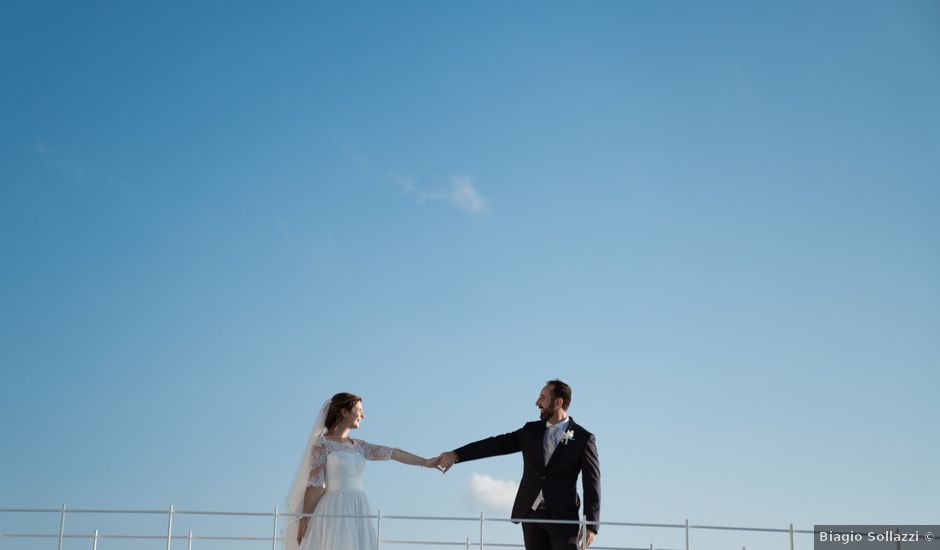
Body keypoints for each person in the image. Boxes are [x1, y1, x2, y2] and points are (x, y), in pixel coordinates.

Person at [437, 380, 600, 550]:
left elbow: (592, 482)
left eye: (542, 398)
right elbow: (495, 445)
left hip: (563, 518)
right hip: (531, 515)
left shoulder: (583, 438)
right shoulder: (530, 431)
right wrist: (456, 455)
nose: (537, 402)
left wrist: (591, 524)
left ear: (558, 402)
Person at [285, 392, 439, 550]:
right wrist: (305, 517)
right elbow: (315, 484)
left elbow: (393, 453)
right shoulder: (322, 444)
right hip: (334, 506)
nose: (363, 415)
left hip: (359, 506)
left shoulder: (359, 446)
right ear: (344, 413)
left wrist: (425, 462)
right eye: (359, 410)